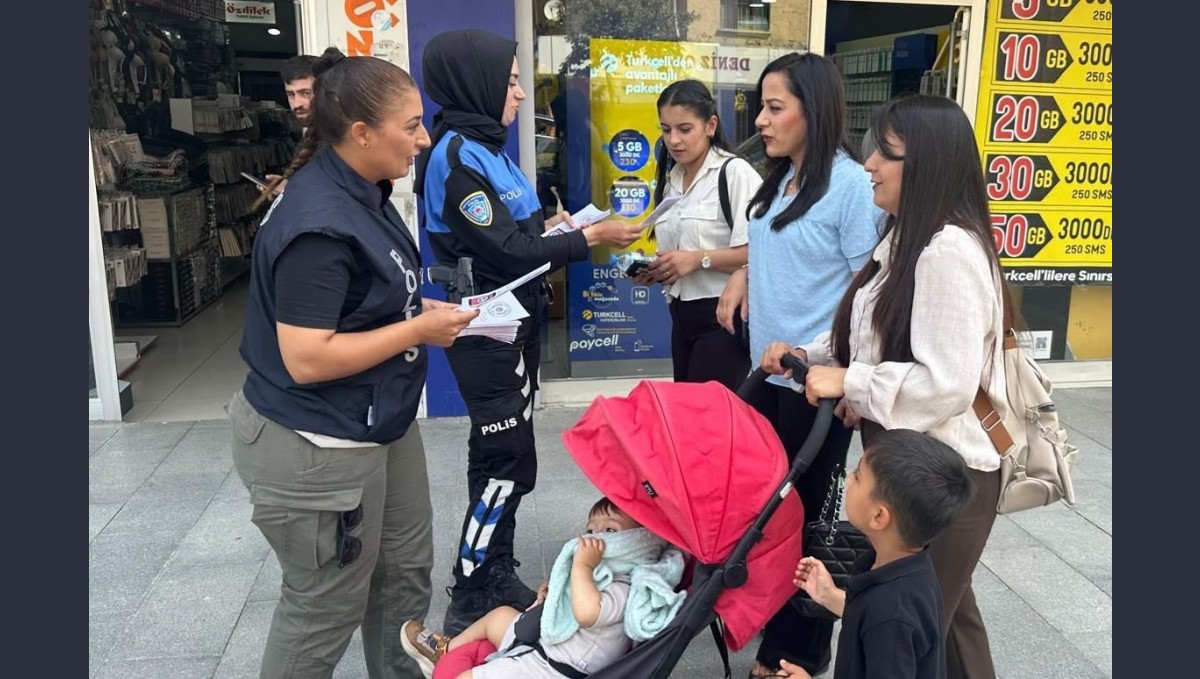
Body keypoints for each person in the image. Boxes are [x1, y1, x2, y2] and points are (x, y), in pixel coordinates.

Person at [230, 47, 480, 678]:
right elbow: (308, 358)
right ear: (362, 133)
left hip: (376, 425)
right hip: (315, 440)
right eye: (411, 126)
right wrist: (418, 328)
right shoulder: (318, 224)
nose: (423, 139)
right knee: (324, 607)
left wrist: (414, 308)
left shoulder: (367, 190)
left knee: (402, 579)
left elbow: (363, 301)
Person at [762, 93, 1011, 679]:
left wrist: (849, 380)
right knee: (950, 621)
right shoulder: (905, 237)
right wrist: (809, 355)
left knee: (906, 630)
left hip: (946, 476)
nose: (869, 162)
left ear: (925, 166)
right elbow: (870, 331)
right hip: (913, 461)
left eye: (887, 153)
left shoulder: (947, 251)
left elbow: (945, 385)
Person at [414, 28, 644, 637]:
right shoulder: (456, 156)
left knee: (500, 455)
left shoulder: (491, 149)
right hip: (484, 331)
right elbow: (511, 252)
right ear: (478, 82)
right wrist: (590, 237)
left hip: (516, 326)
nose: (519, 95)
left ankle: (493, 569)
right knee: (507, 459)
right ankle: (470, 590)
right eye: (511, 81)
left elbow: (523, 230)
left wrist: (560, 223)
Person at [716, 52, 885, 678]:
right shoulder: (780, 179)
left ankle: (797, 656)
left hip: (815, 384)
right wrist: (741, 278)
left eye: (775, 107)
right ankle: (765, 627)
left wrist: (827, 361)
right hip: (770, 376)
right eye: (760, 106)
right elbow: (773, 250)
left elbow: (866, 293)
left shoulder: (847, 189)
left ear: (814, 112)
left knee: (807, 523)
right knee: (764, 513)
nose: (760, 119)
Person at [777, 429, 975, 679]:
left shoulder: (892, 616)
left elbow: (883, 624)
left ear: (879, 516)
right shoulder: (909, 568)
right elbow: (870, 618)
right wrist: (830, 597)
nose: (849, 478)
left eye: (858, 476)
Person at [399, 498, 643, 679]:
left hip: (552, 669)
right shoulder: (600, 573)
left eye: (611, 530)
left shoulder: (624, 587)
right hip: (546, 642)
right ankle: (445, 649)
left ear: (639, 540)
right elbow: (569, 609)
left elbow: (587, 613)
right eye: (591, 530)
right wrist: (552, 596)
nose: (596, 538)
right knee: (500, 615)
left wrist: (581, 566)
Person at [632, 79, 763, 391]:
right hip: (680, 313)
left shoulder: (734, 173)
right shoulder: (672, 177)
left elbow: (761, 252)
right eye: (665, 130)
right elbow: (681, 252)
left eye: (684, 129)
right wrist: (658, 269)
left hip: (724, 314)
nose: (674, 140)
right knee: (685, 417)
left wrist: (697, 260)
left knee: (707, 421)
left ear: (710, 125)